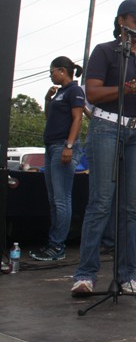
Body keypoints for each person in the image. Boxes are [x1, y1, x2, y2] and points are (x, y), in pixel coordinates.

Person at [71, 0, 136, 296]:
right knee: (101, 202)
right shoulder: (105, 51)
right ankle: (85, 274)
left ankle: (127, 275)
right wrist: (130, 87)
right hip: (107, 127)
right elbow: (93, 93)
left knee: (130, 208)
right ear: (122, 20)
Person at [30, 57, 85, 261]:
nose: (51, 75)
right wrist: (47, 99)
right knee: (54, 198)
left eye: (52, 71)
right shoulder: (60, 93)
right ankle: (53, 242)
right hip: (51, 146)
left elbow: (78, 118)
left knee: (62, 199)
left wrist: (69, 146)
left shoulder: (74, 91)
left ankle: (58, 245)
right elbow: (50, 118)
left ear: (62, 71)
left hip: (63, 146)